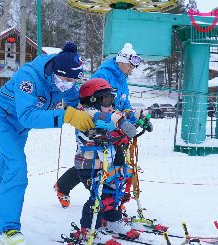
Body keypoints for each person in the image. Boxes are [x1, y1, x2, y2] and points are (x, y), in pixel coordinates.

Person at [0, 42, 94, 245]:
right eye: (67, 79)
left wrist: (88, 114)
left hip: (20, 126)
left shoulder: (63, 80)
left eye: (74, 80)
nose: (69, 84)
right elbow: (27, 116)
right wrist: (67, 116)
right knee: (17, 166)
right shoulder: (29, 77)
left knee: (5, 165)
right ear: (56, 71)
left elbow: (75, 101)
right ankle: (9, 229)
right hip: (4, 117)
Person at [54, 43, 150, 208]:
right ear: (122, 62)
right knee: (91, 160)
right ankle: (101, 199)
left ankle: (111, 199)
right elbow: (92, 102)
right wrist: (113, 119)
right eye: (130, 66)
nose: (132, 69)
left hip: (114, 125)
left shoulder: (122, 80)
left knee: (107, 159)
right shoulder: (103, 75)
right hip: (94, 123)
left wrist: (132, 118)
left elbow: (124, 104)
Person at [69, 78, 138, 240]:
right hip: (89, 166)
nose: (111, 104)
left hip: (107, 165)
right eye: (106, 99)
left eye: (112, 99)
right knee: (97, 197)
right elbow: (91, 135)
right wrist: (114, 134)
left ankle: (112, 220)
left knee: (113, 193)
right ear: (92, 101)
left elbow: (119, 120)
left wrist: (134, 121)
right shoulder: (84, 116)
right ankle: (89, 228)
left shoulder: (106, 114)